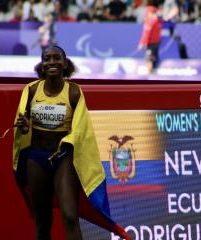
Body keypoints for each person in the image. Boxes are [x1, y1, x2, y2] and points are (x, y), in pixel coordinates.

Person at [13, 46, 129, 240]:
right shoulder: (32, 90)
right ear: (42, 65)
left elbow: (81, 129)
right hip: (36, 159)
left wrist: (67, 142)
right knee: (42, 221)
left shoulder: (74, 92)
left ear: (65, 63)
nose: (52, 62)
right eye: (47, 59)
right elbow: (22, 126)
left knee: (69, 216)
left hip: (63, 160)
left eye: (56, 58)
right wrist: (23, 128)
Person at [137, 0, 162, 73]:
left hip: (151, 44)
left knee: (149, 60)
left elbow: (146, 32)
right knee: (155, 60)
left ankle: (150, 76)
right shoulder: (158, 20)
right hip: (157, 43)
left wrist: (142, 43)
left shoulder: (150, 21)